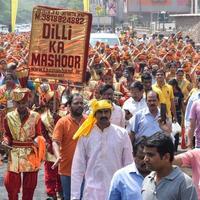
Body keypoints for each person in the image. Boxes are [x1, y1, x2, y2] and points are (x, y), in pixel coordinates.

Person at [71, 99, 133, 200]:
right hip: (91, 191)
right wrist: (74, 197)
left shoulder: (122, 134)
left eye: (106, 111)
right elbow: (78, 167)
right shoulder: (86, 135)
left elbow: (128, 164)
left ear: (110, 113)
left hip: (115, 189)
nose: (103, 115)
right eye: (100, 112)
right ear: (94, 115)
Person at [2, 87, 46, 200]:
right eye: (18, 103)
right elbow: (7, 134)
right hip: (15, 152)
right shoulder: (8, 116)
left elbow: (39, 134)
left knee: (29, 187)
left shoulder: (35, 116)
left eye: (24, 102)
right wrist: (5, 141)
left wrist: (38, 139)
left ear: (28, 102)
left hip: (31, 153)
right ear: (15, 103)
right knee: (11, 187)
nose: (21, 105)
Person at [142, 132, 197, 200]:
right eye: (145, 154)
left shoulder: (185, 184)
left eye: (150, 155)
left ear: (166, 157)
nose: (145, 159)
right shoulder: (147, 180)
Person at [52, 93, 86, 200]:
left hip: (86, 168)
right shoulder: (62, 122)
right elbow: (55, 141)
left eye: (81, 103)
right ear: (69, 106)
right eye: (76, 103)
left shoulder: (89, 121)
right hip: (67, 169)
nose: (80, 105)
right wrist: (58, 156)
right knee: (69, 197)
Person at [41, 91, 62, 200]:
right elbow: (42, 133)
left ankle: (60, 191)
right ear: (47, 104)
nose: (53, 105)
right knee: (50, 172)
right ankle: (51, 192)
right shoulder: (43, 117)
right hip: (49, 148)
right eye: (50, 102)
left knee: (61, 173)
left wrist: (57, 117)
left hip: (62, 147)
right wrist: (49, 145)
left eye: (55, 102)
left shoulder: (64, 115)